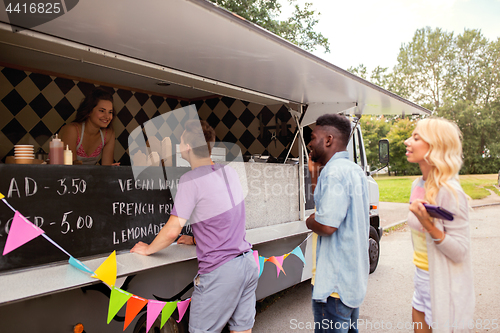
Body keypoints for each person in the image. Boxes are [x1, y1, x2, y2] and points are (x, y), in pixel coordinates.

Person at [131, 120, 258, 333]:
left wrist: (148, 248)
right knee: (242, 330)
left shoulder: (190, 180)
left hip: (220, 272)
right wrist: (196, 239)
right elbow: (226, 217)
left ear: (187, 147)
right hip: (247, 264)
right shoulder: (230, 173)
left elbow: (173, 230)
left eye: (180, 141)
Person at [404, 118, 474, 333]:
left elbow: (460, 252)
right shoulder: (418, 184)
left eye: (416, 138)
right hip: (422, 275)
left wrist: (430, 225)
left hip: (443, 280)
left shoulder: (450, 192)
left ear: (435, 146)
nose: (407, 141)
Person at [305, 114, 369, 333]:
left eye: (313, 137)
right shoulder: (354, 170)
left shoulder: (333, 173)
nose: (309, 143)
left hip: (334, 287)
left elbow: (326, 225)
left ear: (329, 140)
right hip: (350, 282)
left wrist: (309, 221)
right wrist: (315, 177)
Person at [59, 87, 119, 165]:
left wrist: (111, 169)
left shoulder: (108, 134)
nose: (107, 116)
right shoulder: (72, 130)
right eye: (102, 111)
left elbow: (106, 168)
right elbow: (71, 168)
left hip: (86, 177)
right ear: (89, 112)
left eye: (110, 112)